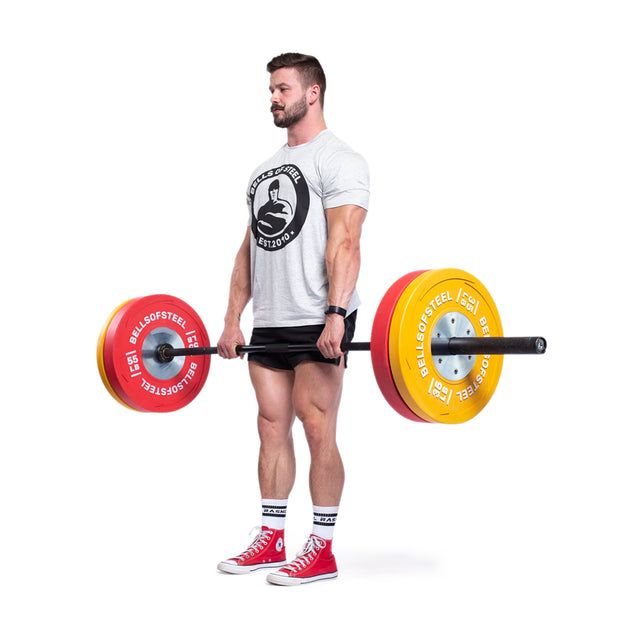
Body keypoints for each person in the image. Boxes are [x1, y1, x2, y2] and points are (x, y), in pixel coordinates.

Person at [216, 52, 369, 586]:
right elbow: (248, 252)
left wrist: (336, 314)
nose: (274, 99)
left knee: (318, 429)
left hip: (317, 318)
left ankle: (321, 548)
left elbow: (347, 241)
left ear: (313, 93)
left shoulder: (341, 160)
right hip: (270, 323)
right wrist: (233, 320)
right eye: (272, 90)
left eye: (283, 89)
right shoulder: (264, 170)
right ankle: (272, 538)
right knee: (270, 427)